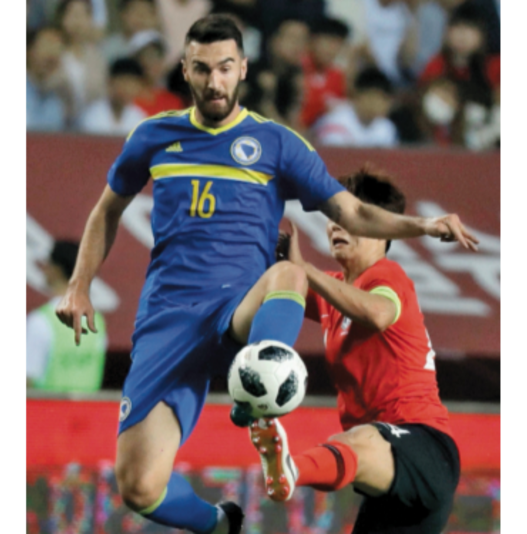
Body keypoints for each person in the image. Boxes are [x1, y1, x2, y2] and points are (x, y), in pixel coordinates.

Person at [56, 15, 478, 534]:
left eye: (226, 68)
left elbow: (353, 212)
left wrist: (422, 225)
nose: (215, 81)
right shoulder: (152, 137)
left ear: (243, 69)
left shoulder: (276, 143)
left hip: (241, 307)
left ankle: (259, 389)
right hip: (167, 320)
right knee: (139, 487)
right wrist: (79, 284)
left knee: (288, 275)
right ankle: (220, 525)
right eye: (203, 68)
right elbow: (106, 210)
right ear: (185, 70)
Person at [249, 169, 469, 533]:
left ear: (382, 233)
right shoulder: (333, 291)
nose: (337, 227)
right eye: (333, 219)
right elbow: (278, 285)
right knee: (361, 441)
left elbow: (377, 313)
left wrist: (302, 267)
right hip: (384, 484)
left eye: (349, 219)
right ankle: (289, 469)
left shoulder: (387, 276)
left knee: (357, 439)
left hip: (424, 450)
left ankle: (290, 469)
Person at [25, 241, 107, 392]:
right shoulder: (97, 321)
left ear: (56, 269)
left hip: (47, 412)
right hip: (86, 413)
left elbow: (27, 380)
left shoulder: (40, 322)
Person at [315, 67, 400, 148]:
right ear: (357, 95)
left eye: (382, 99)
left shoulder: (386, 128)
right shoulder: (336, 121)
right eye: (372, 97)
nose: (377, 104)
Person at [77, 59, 149, 136]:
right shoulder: (93, 116)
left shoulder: (139, 118)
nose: (128, 90)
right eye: (124, 83)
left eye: (132, 85)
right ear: (110, 82)